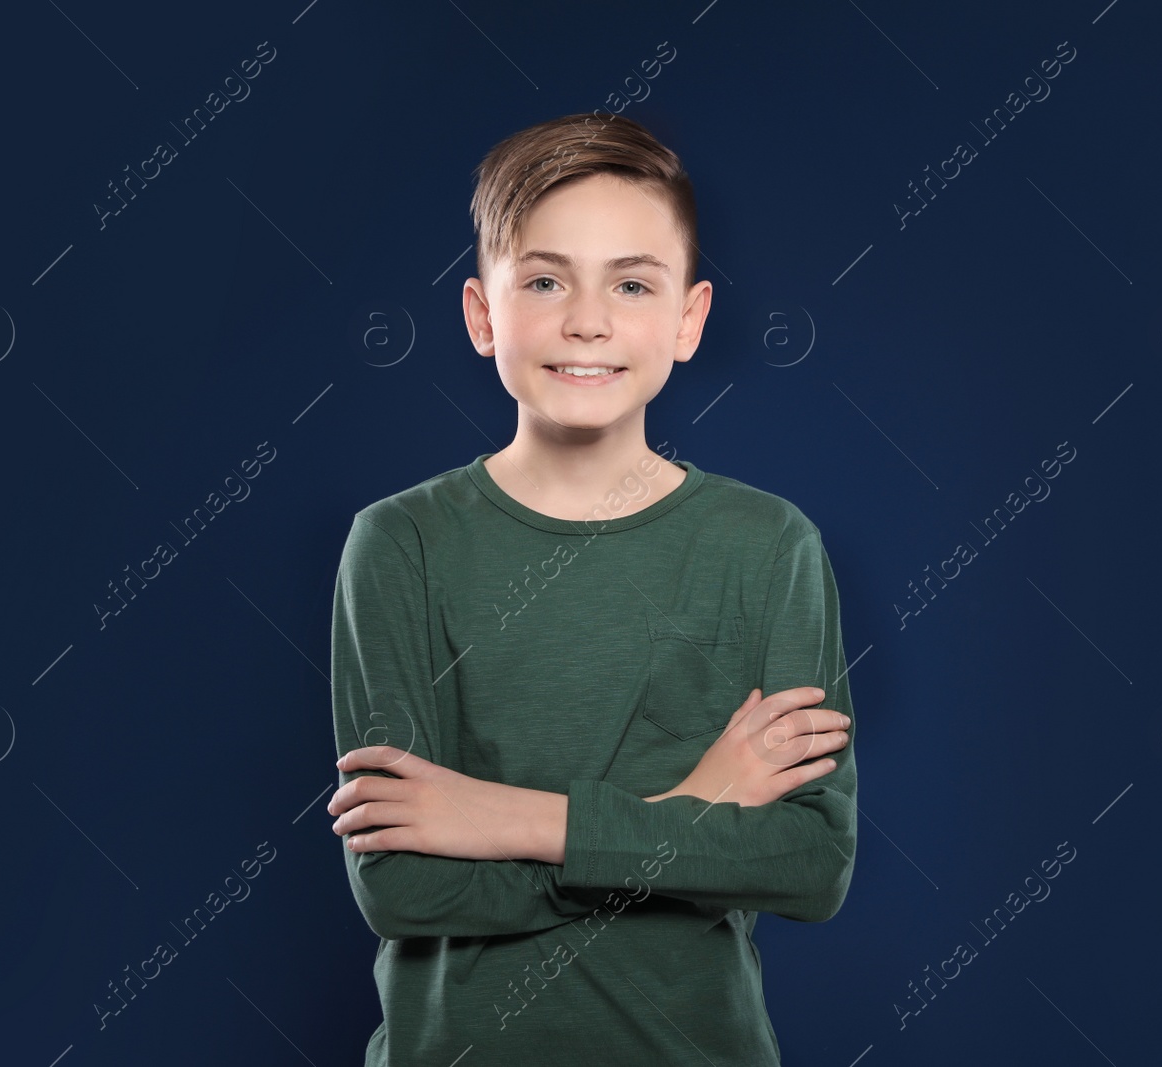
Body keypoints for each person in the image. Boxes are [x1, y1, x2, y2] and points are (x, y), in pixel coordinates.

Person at [327, 112, 858, 1065]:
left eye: (631, 282)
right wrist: (691, 814)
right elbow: (402, 885)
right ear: (481, 314)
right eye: (543, 279)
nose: (588, 320)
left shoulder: (769, 545)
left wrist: (513, 820)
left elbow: (810, 863)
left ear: (689, 319)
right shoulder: (399, 543)